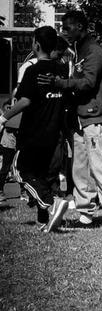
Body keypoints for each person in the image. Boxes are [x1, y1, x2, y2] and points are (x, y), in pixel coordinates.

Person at [37, 10, 102, 231]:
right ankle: (85, 212)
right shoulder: (77, 50)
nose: (64, 31)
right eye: (62, 27)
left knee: (99, 166)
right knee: (79, 168)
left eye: (68, 27)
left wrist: (60, 83)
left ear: (80, 26)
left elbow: (89, 82)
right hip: (79, 118)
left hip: (95, 116)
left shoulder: (94, 50)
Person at [0, 26, 69, 232]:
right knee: (42, 175)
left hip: (33, 133)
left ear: (36, 45)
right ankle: (44, 220)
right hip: (53, 132)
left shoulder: (32, 70)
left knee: (20, 170)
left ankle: (50, 202)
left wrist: (3, 118)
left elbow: (24, 101)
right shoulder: (61, 70)